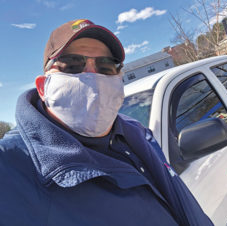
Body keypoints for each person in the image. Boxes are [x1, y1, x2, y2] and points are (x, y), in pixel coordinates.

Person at [0, 19, 213, 226]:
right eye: (73, 65)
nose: (93, 78)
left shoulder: (136, 132)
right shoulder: (12, 167)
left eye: (106, 66)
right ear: (43, 88)